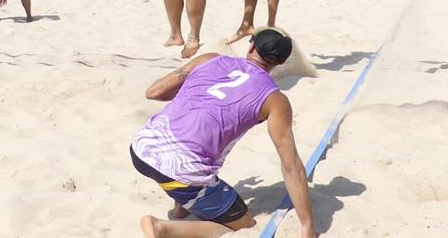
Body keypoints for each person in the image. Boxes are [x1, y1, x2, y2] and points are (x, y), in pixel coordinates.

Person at [131, 28, 315, 238]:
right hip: (181, 170)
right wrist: (307, 226)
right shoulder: (275, 100)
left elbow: (153, 92)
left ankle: (180, 208)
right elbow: (290, 165)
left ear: (251, 46)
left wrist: (193, 91)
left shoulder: (209, 59)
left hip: (142, 147)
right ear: (280, 62)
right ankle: (162, 229)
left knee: (191, 130)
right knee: (245, 224)